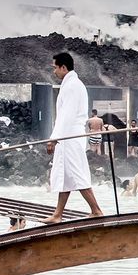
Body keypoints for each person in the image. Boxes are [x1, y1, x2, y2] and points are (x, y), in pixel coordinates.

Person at [43, 52, 104, 223]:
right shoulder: (72, 84)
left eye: (55, 67)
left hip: (69, 136)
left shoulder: (72, 86)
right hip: (68, 136)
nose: (54, 71)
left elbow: (66, 115)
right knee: (66, 175)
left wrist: (53, 138)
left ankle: (96, 210)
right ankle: (58, 214)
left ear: (63, 67)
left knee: (77, 173)